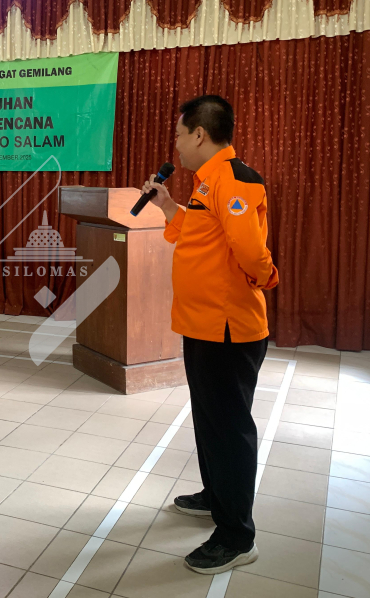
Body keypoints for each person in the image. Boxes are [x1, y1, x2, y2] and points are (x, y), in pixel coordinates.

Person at [142, 95, 279, 575]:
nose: (177, 145)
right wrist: (167, 206)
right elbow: (198, 236)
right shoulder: (206, 183)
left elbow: (249, 249)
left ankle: (237, 536)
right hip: (202, 325)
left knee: (229, 428)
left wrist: (265, 278)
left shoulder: (235, 179)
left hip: (227, 329)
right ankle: (215, 494)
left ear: (200, 134)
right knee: (208, 419)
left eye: (180, 135)